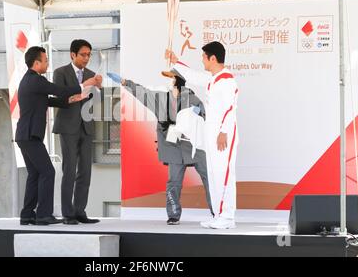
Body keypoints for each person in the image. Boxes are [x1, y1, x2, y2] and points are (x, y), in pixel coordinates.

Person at [107, 71, 214, 225]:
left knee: (209, 178)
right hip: (172, 145)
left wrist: (196, 115)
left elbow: (204, 117)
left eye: (171, 77)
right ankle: (173, 214)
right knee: (174, 181)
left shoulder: (193, 99)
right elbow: (142, 92)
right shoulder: (162, 98)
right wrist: (125, 82)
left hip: (194, 145)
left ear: (176, 80)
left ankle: (217, 211)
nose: (170, 80)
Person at [16, 46, 101, 226]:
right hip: (30, 136)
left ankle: (27, 214)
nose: (47, 63)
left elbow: (47, 100)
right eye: (45, 60)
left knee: (34, 174)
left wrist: (68, 101)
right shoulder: (36, 80)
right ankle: (43, 215)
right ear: (36, 63)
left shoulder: (28, 81)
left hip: (25, 135)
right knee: (48, 171)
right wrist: (83, 85)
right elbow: (58, 90)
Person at [166, 41, 239, 229]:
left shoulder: (227, 80)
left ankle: (227, 217)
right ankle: (218, 215)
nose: (202, 61)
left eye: (204, 57)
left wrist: (223, 132)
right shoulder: (213, 79)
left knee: (223, 175)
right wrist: (176, 61)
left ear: (212, 58)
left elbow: (230, 109)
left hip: (224, 135)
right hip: (212, 134)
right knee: (214, 175)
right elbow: (194, 76)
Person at [52, 39, 102, 225]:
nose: (87, 58)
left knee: (85, 171)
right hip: (68, 126)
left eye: (89, 54)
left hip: (86, 126)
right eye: (83, 54)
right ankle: (68, 213)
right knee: (69, 170)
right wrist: (84, 86)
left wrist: (98, 89)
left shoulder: (92, 74)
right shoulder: (61, 72)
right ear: (72, 54)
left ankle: (80, 211)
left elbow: (96, 102)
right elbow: (61, 96)